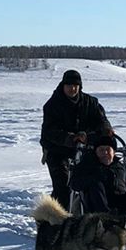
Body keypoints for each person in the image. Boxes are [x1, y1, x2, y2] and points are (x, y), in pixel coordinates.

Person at [39, 69, 112, 206]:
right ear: (63, 85)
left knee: (96, 179)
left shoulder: (90, 102)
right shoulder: (53, 105)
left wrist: (105, 129)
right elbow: (49, 131)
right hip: (57, 150)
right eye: (69, 85)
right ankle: (58, 220)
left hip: (85, 148)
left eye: (75, 85)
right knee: (63, 186)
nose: (72, 88)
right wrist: (70, 138)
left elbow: (101, 119)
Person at [69, 128, 126, 220]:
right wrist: (94, 178)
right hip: (98, 206)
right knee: (96, 184)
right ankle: (107, 219)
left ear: (114, 152)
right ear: (96, 152)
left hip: (120, 203)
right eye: (101, 150)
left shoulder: (119, 166)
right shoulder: (87, 164)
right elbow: (74, 184)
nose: (105, 153)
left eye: (108, 149)